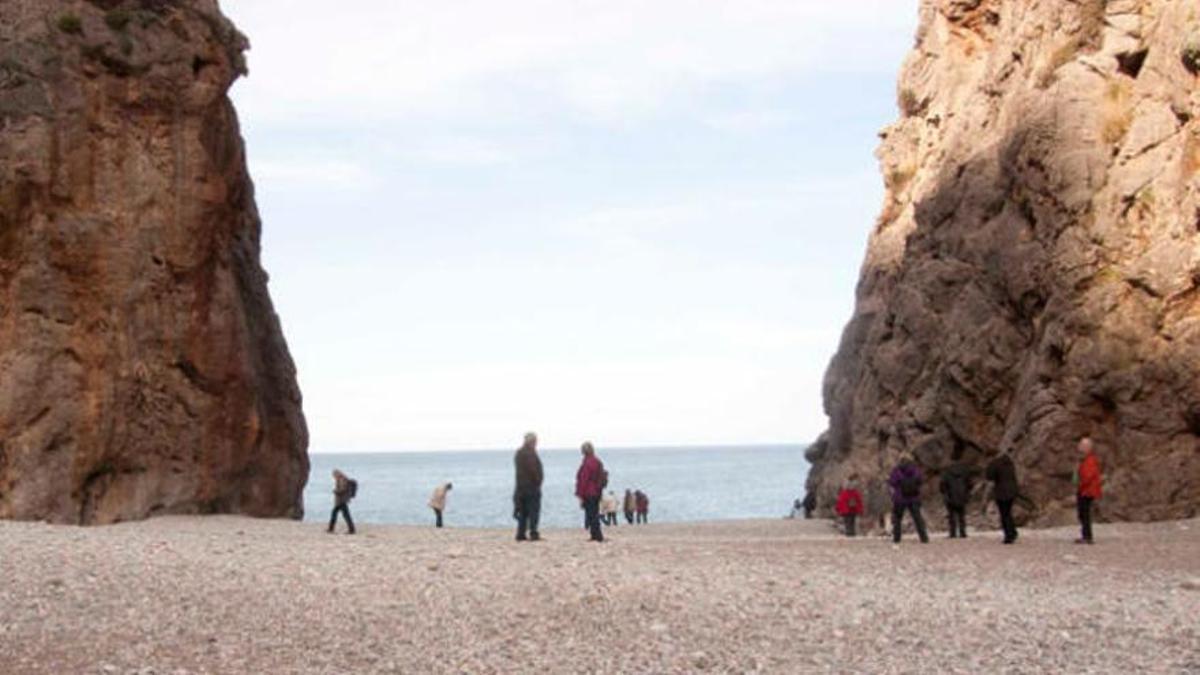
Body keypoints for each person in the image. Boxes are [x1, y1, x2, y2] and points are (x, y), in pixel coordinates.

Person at [888, 455, 929, 544]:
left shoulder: (897, 471)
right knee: (918, 518)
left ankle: (896, 538)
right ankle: (924, 538)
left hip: (900, 498)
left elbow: (892, 482)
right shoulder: (915, 470)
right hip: (914, 497)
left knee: (898, 519)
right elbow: (920, 481)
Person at [513, 432, 544, 542]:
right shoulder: (529, 453)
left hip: (521, 487)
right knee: (533, 511)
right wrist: (538, 481)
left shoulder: (519, 453)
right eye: (535, 441)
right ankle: (533, 532)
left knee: (523, 511)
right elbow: (533, 470)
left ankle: (521, 533)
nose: (536, 443)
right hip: (531, 487)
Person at [939, 449, 976, 539]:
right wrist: (967, 492)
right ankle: (963, 532)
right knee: (962, 515)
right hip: (962, 494)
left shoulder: (947, 471)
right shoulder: (965, 470)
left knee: (951, 515)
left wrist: (944, 492)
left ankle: (952, 533)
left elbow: (942, 484)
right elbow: (970, 483)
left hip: (950, 495)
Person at [985, 451, 1020, 544]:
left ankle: (1009, 535)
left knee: (1004, 514)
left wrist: (987, 496)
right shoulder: (1009, 463)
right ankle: (1012, 531)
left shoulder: (994, 464)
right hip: (1012, 490)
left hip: (1001, 491)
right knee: (1008, 512)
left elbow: (989, 478)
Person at [575, 441, 606, 542]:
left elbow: (583, 479)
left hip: (589, 492)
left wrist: (580, 494)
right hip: (597, 491)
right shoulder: (597, 461)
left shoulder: (587, 463)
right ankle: (596, 535)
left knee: (591, 514)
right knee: (594, 513)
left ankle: (596, 536)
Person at [1075, 437, 1103, 544]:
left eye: (1082, 446)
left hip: (1087, 491)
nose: (1079, 447)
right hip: (1085, 489)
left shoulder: (1090, 460)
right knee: (1083, 513)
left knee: (1084, 513)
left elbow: (1088, 476)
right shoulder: (1086, 459)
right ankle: (1085, 535)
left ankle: (1087, 536)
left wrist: (1080, 485)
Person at [328, 469, 356, 535]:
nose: (333, 476)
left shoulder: (342, 480)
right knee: (344, 515)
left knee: (338, 514)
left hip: (341, 501)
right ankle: (351, 529)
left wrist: (336, 491)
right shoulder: (342, 479)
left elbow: (342, 489)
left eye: (334, 475)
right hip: (341, 501)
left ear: (337, 474)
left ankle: (331, 529)